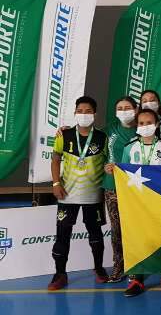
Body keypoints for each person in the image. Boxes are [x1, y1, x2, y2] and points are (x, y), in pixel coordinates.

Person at [48, 96, 109, 291]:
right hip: (67, 194)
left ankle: (99, 268)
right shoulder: (63, 136)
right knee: (62, 234)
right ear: (75, 113)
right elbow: (56, 158)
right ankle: (59, 274)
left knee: (95, 234)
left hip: (93, 195)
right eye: (80, 111)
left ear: (95, 114)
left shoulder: (102, 137)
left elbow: (109, 162)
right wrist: (56, 182)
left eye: (88, 111)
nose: (84, 114)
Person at [119, 109, 161, 297]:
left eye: (149, 122)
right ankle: (136, 279)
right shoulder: (129, 148)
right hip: (137, 203)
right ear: (137, 126)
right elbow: (123, 171)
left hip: (160, 200)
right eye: (141, 123)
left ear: (157, 125)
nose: (145, 126)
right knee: (138, 238)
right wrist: (113, 169)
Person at [102, 96, 139, 282]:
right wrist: (66, 130)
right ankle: (119, 265)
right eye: (120, 108)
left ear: (136, 109)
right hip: (113, 187)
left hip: (137, 188)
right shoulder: (110, 130)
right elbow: (88, 140)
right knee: (116, 229)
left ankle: (136, 266)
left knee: (135, 227)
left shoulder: (143, 128)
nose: (123, 111)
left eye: (127, 107)